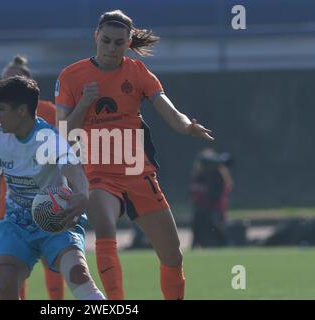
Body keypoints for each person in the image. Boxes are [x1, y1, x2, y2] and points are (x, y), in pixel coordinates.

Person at [55, 10, 214, 299]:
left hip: (137, 172)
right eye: (106, 41)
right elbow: (63, 132)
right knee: (104, 226)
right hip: (98, 173)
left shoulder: (138, 72)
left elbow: (168, 109)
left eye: (119, 43)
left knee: (173, 256)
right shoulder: (71, 76)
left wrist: (187, 126)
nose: (111, 48)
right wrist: (84, 103)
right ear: (96, 37)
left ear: (128, 43)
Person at [0, 76, 105, 300]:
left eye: (1, 109)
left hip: (57, 224)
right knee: (4, 284)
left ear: (21, 111)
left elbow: (73, 168)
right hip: (16, 226)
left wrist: (82, 194)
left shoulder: (48, 138)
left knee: (79, 275)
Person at [0, 55, 64, 300]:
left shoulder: (50, 112)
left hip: (48, 196)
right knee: (11, 266)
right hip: (12, 201)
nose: (9, 81)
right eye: (6, 77)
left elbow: (66, 153)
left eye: (16, 77)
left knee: (53, 262)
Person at [190, 148, 233, 248]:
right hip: (201, 210)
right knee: (198, 230)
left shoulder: (218, 175)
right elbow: (195, 194)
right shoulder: (199, 176)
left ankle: (228, 245)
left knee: (218, 231)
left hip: (215, 209)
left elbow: (216, 195)